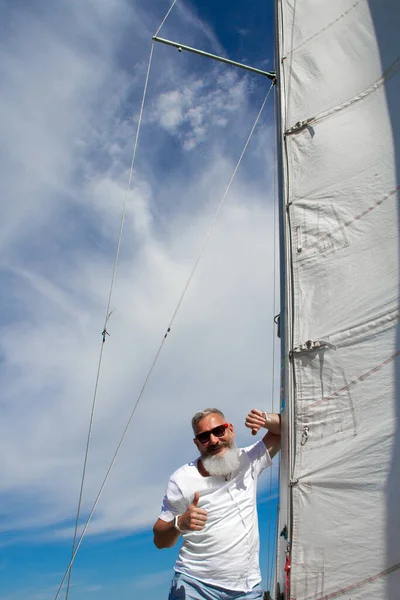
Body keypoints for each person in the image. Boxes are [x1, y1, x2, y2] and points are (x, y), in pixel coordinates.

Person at [153, 407, 281, 599]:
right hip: (195, 586)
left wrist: (265, 419)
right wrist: (180, 523)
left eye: (218, 431)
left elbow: (285, 430)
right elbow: (160, 540)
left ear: (231, 430)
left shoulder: (249, 461)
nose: (213, 440)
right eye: (204, 437)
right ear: (197, 444)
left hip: (247, 589)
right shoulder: (182, 479)